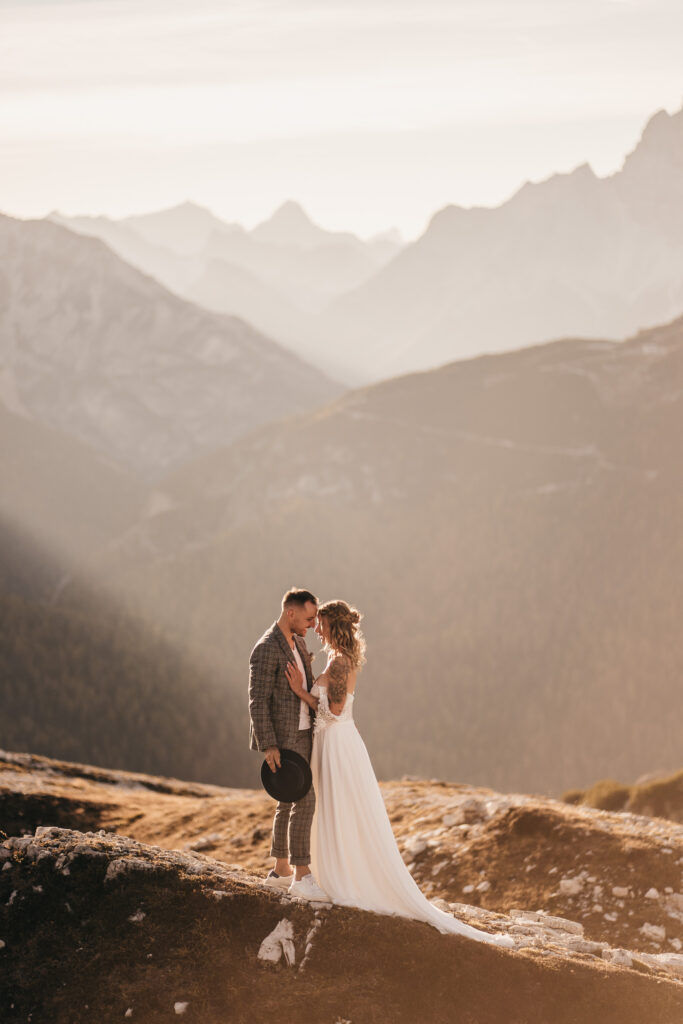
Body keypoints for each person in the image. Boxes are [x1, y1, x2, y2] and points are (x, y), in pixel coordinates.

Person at [286, 599, 514, 946]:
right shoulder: (341, 659)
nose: (316, 627)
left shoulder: (341, 662)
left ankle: (344, 878)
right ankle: (331, 872)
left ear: (334, 627)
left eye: (322, 623)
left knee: (338, 807)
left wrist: (299, 691)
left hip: (334, 742)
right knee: (335, 808)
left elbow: (332, 710)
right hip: (335, 740)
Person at [248, 587, 328, 901]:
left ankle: (280, 871)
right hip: (284, 737)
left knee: (288, 800)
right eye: (308, 618)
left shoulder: (298, 643)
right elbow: (257, 701)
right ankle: (302, 875)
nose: (311, 624)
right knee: (305, 801)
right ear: (290, 612)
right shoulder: (266, 648)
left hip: (305, 732)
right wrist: (269, 745)